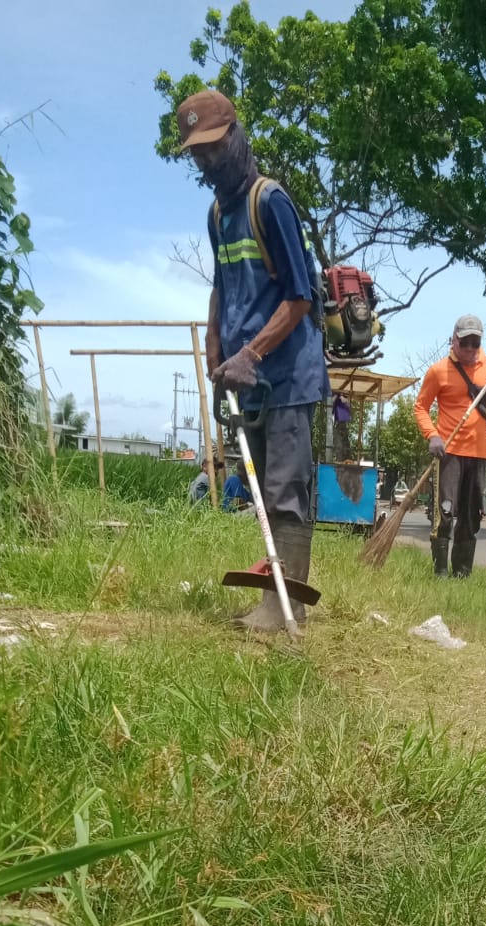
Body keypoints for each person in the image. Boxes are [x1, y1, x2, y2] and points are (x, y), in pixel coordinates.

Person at [176, 87, 330, 630]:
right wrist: (216, 353)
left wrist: (252, 352)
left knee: (286, 491)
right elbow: (223, 285)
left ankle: (286, 612)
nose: (209, 161)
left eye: (215, 148)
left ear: (237, 139)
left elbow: (300, 298)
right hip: (246, 375)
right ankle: (275, 597)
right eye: (199, 154)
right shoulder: (218, 214)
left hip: (286, 375)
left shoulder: (271, 202)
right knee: (264, 490)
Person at [413, 315, 486, 577]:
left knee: (470, 517)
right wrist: (432, 435)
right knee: (444, 513)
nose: (469, 349)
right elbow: (420, 407)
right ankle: (440, 572)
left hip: (478, 455)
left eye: (474, 343)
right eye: (464, 342)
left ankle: (462, 574)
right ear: (454, 339)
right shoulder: (438, 371)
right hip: (449, 452)